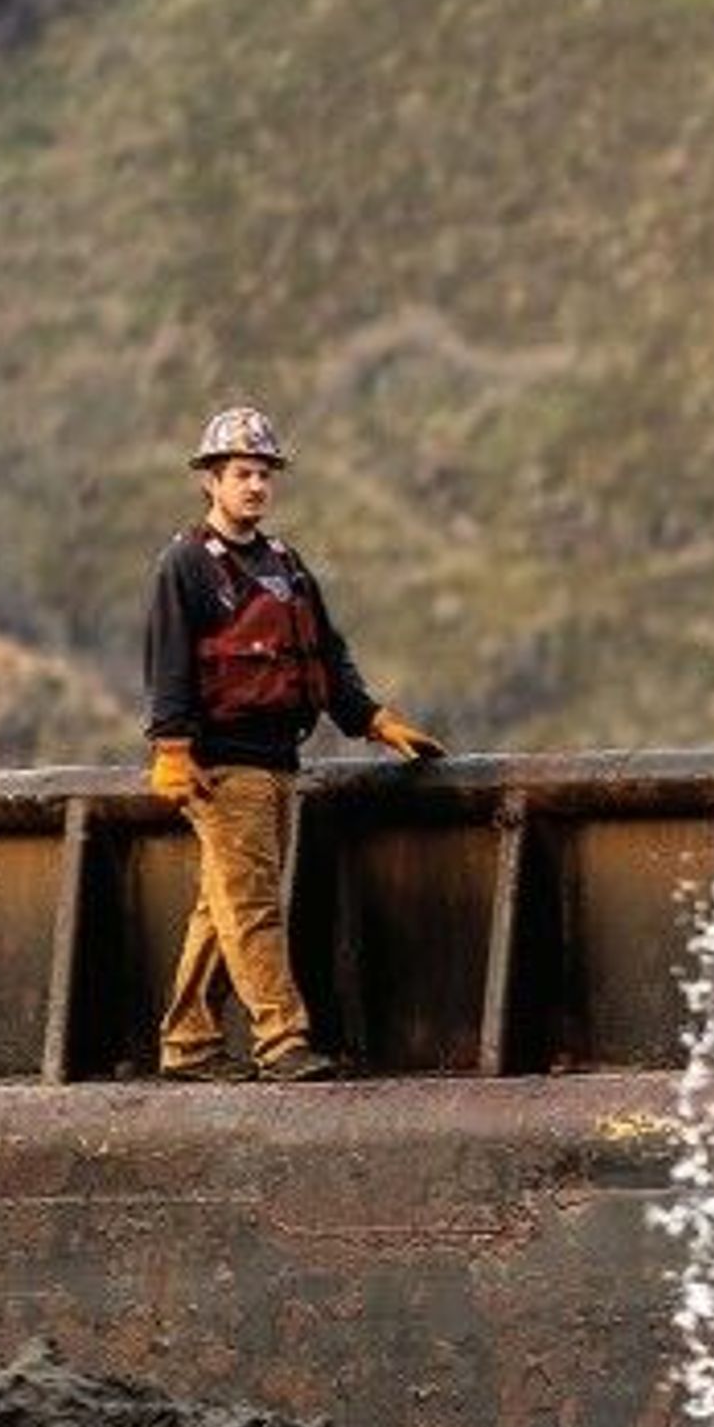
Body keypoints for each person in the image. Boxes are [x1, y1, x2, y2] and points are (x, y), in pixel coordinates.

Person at [142, 405, 445, 1081]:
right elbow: (167, 661)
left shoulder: (286, 563)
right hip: (222, 765)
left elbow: (326, 655)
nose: (256, 485)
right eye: (242, 472)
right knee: (252, 906)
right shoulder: (185, 564)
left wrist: (371, 718)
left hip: (280, 759)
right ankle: (281, 1040)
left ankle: (188, 1043)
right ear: (210, 481)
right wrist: (171, 748)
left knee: (224, 904)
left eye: (264, 473)